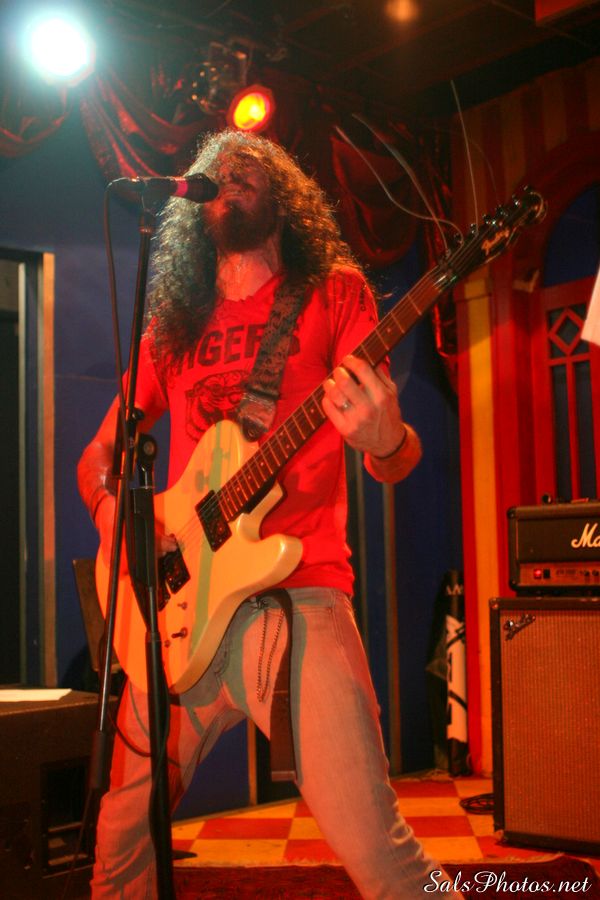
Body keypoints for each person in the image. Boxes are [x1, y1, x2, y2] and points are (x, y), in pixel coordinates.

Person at [78, 129, 460, 899]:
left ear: (285, 195)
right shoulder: (171, 326)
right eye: (217, 167)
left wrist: (386, 438)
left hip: (297, 597)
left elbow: (396, 456)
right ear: (194, 204)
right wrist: (117, 518)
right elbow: (98, 458)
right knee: (118, 856)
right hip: (176, 613)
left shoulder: (334, 293)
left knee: (384, 860)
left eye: (251, 163)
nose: (231, 169)